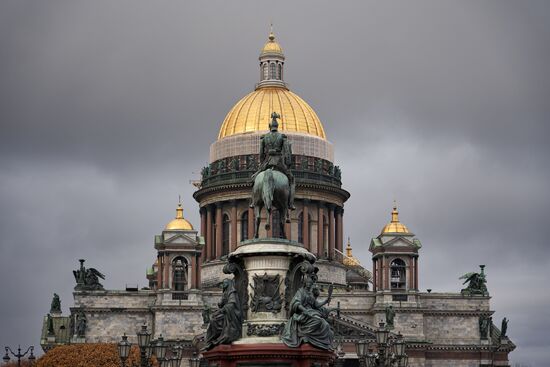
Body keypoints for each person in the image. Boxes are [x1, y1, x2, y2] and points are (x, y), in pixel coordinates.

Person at [252, 112, 295, 210]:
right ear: (277, 126)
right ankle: (291, 204)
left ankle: (253, 201)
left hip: (267, 162)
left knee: (254, 180)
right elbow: (287, 152)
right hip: (279, 162)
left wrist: (262, 163)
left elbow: (261, 153)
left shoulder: (265, 137)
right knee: (291, 180)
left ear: (269, 126)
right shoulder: (282, 137)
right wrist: (288, 163)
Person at [281, 275, 334, 350]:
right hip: (303, 312)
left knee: (326, 325)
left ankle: (319, 341)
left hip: (312, 312)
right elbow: (296, 303)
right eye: (307, 282)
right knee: (318, 321)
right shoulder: (300, 291)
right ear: (305, 283)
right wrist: (304, 310)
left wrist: (326, 301)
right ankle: (304, 334)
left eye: (310, 283)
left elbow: (316, 305)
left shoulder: (311, 293)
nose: (309, 284)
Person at [204, 278, 243, 350]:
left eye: (225, 283)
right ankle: (210, 341)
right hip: (227, 312)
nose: (223, 284)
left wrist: (222, 310)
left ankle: (215, 339)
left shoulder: (232, 292)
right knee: (213, 319)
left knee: (214, 321)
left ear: (228, 284)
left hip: (231, 314)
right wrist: (220, 305)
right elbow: (223, 303)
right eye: (223, 283)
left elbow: (231, 305)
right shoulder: (225, 292)